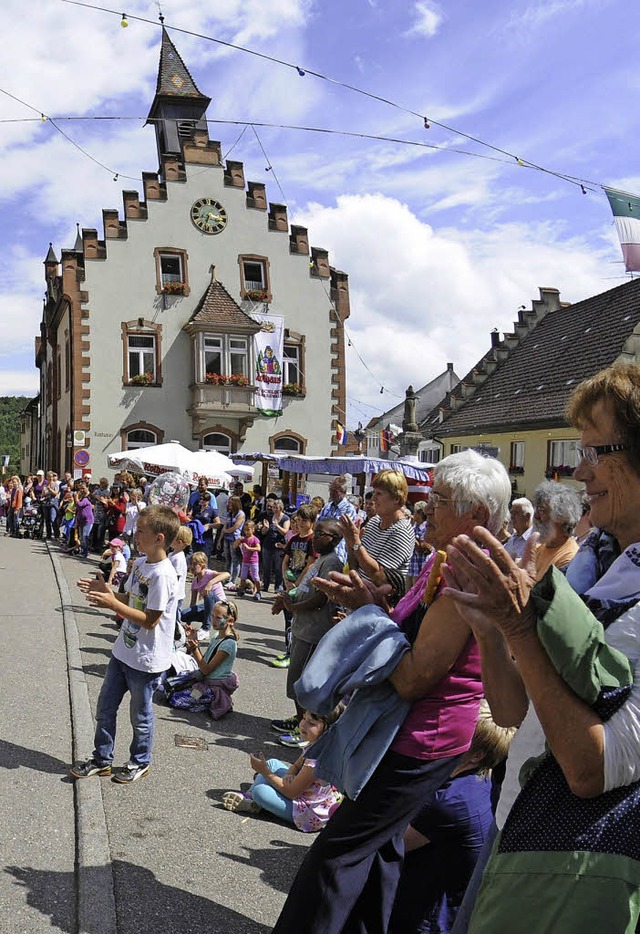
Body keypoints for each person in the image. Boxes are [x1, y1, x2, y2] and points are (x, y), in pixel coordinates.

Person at [272, 450, 511, 934]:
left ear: (477, 515)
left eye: (439, 500)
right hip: (414, 732)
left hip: (422, 738)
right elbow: (408, 629)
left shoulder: (466, 573)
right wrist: (371, 601)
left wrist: (368, 614)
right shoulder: (447, 559)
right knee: (378, 850)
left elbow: (414, 676)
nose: (426, 508)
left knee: (337, 855)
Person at [442, 362, 640, 932]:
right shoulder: (591, 567)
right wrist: (489, 626)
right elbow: (512, 714)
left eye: (597, 450)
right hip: (519, 826)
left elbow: (589, 768)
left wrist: (522, 629)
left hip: (584, 867)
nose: (581, 469)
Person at [70, 505, 180, 783]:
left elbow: (151, 619)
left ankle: (139, 761)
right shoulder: (141, 564)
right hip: (123, 652)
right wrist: (109, 593)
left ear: (160, 538)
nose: (134, 535)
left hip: (146, 660)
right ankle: (102, 759)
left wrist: (113, 605)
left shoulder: (164, 575)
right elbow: (130, 597)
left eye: (141, 531)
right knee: (105, 707)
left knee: (140, 717)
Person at [390, 701, 516, 934]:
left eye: (456, 734)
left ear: (476, 755)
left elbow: (391, 843)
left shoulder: (449, 801)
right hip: (447, 906)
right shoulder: (481, 782)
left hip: (425, 917)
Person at [270, 519, 344, 748]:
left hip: (314, 631)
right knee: (295, 681)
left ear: (335, 540)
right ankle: (299, 719)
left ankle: (306, 731)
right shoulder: (320, 560)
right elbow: (303, 591)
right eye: (317, 532)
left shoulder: (332, 562)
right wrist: (287, 600)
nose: (317, 537)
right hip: (302, 628)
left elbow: (320, 598)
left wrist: (293, 608)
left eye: (323, 534)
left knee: (304, 684)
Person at [222, 705, 345, 830]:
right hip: (304, 793)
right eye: (304, 718)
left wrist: (265, 772)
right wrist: (288, 775)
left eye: (311, 723)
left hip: (308, 813)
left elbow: (292, 792)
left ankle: (254, 798)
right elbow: (297, 765)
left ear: (329, 731)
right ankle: (250, 798)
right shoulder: (316, 745)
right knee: (272, 763)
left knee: (261, 791)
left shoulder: (317, 761)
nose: (303, 724)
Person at [341, 468, 416, 583]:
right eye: (374, 492)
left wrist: (356, 544)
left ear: (396, 498)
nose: (374, 498)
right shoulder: (374, 522)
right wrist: (350, 541)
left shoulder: (402, 531)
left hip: (377, 600)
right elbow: (355, 565)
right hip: (359, 594)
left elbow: (378, 576)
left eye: (379, 493)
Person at [168, 600, 240, 718]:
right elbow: (205, 660)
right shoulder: (217, 636)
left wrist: (195, 650)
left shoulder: (228, 645)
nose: (213, 620)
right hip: (205, 679)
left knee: (175, 699)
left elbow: (206, 669)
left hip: (213, 686)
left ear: (230, 621)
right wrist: (192, 638)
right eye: (212, 616)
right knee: (171, 686)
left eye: (218, 617)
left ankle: (216, 701)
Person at [273, 504, 318, 669]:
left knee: (299, 619)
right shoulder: (293, 539)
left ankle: (296, 653)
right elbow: (285, 561)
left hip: (303, 586)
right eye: (298, 520)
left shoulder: (313, 540)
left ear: (312, 522)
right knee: (288, 619)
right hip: (289, 582)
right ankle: (289, 650)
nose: (299, 524)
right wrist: (286, 579)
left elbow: (311, 565)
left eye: (304, 521)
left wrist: (297, 584)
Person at [531, 480, 581, 579]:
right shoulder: (538, 549)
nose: (536, 516)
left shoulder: (569, 558)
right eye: (536, 509)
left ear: (562, 516)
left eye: (542, 510)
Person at [181, 551, 230, 638]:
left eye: (195, 564)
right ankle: (207, 619)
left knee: (208, 593)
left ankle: (206, 629)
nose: (191, 567)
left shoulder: (209, 573)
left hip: (221, 605)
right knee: (183, 614)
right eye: (191, 564)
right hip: (208, 606)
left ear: (202, 565)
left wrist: (210, 583)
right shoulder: (194, 582)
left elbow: (227, 574)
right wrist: (188, 623)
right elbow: (193, 604)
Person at [318, 476, 357, 566]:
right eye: (330, 490)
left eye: (335, 491)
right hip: (324, 550)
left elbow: (341, 530)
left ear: (343, 492)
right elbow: (319, 525)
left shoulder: (349, 509)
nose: (331, 493)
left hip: (339, 551)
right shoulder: (327, 507)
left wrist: (328, 528)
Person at [257, 498, 290, 592]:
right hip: (268, 544)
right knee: (266, 566)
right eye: (274, 507)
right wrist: (265, 528)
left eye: (276, 508)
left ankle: (278, 586)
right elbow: (263, 533)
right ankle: (265, 584)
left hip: (279, 545)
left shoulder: (285, 518)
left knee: (278, 567)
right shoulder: (269, 517)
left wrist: (277, 525)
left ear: (281, 508)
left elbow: (285, 532)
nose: (274, 509)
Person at [222, 496, 246, 588]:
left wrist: (226, 531)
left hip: (235, 539)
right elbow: (225, 525)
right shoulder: (229, 514)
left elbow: (236, 526)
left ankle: (234, 579)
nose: (229, 505)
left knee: (235, 560)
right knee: (228, 559)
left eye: (230, 503)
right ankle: (227, 577)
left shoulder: (240, 514)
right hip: (226, 538)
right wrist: (221, 537)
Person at [237, 520, 262, 600]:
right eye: (245, 530)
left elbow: (258, 548)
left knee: (255, 577)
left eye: (248, 530)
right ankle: (242, 590)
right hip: (245, 561)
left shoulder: (255, 539)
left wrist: (249, 548)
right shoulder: (243, 539)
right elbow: (234, 546)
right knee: (243, 576)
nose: (246, 532)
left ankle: (258, 592)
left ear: (253, 530)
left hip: (253, 561)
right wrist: (238, 540)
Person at [503, 497, 534, 562]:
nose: (512, 516)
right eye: (511, 512)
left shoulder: (533, 540)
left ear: (527, 516)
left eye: (516, 513)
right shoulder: (514, 537)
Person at [407, 500, 430, 587]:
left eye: (415, 512)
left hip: (420, 566)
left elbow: (421, 547)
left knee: (417, 593)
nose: (413, 514)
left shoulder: (426, 528)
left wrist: (411, 534)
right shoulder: (414, 527)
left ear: (420, 514)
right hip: (411, 567)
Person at [74, 482, 94, 558]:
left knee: (85, 536)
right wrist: (77, 520)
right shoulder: (81, 499)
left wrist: (76, 498)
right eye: (80, 489)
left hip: (88, 521)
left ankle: (85, 552)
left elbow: (79, 504)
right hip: (81, 521)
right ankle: (83, 551)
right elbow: (78, 509)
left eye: (83, 488)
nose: (82, 490)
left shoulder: (86, 499)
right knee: (82, 538)